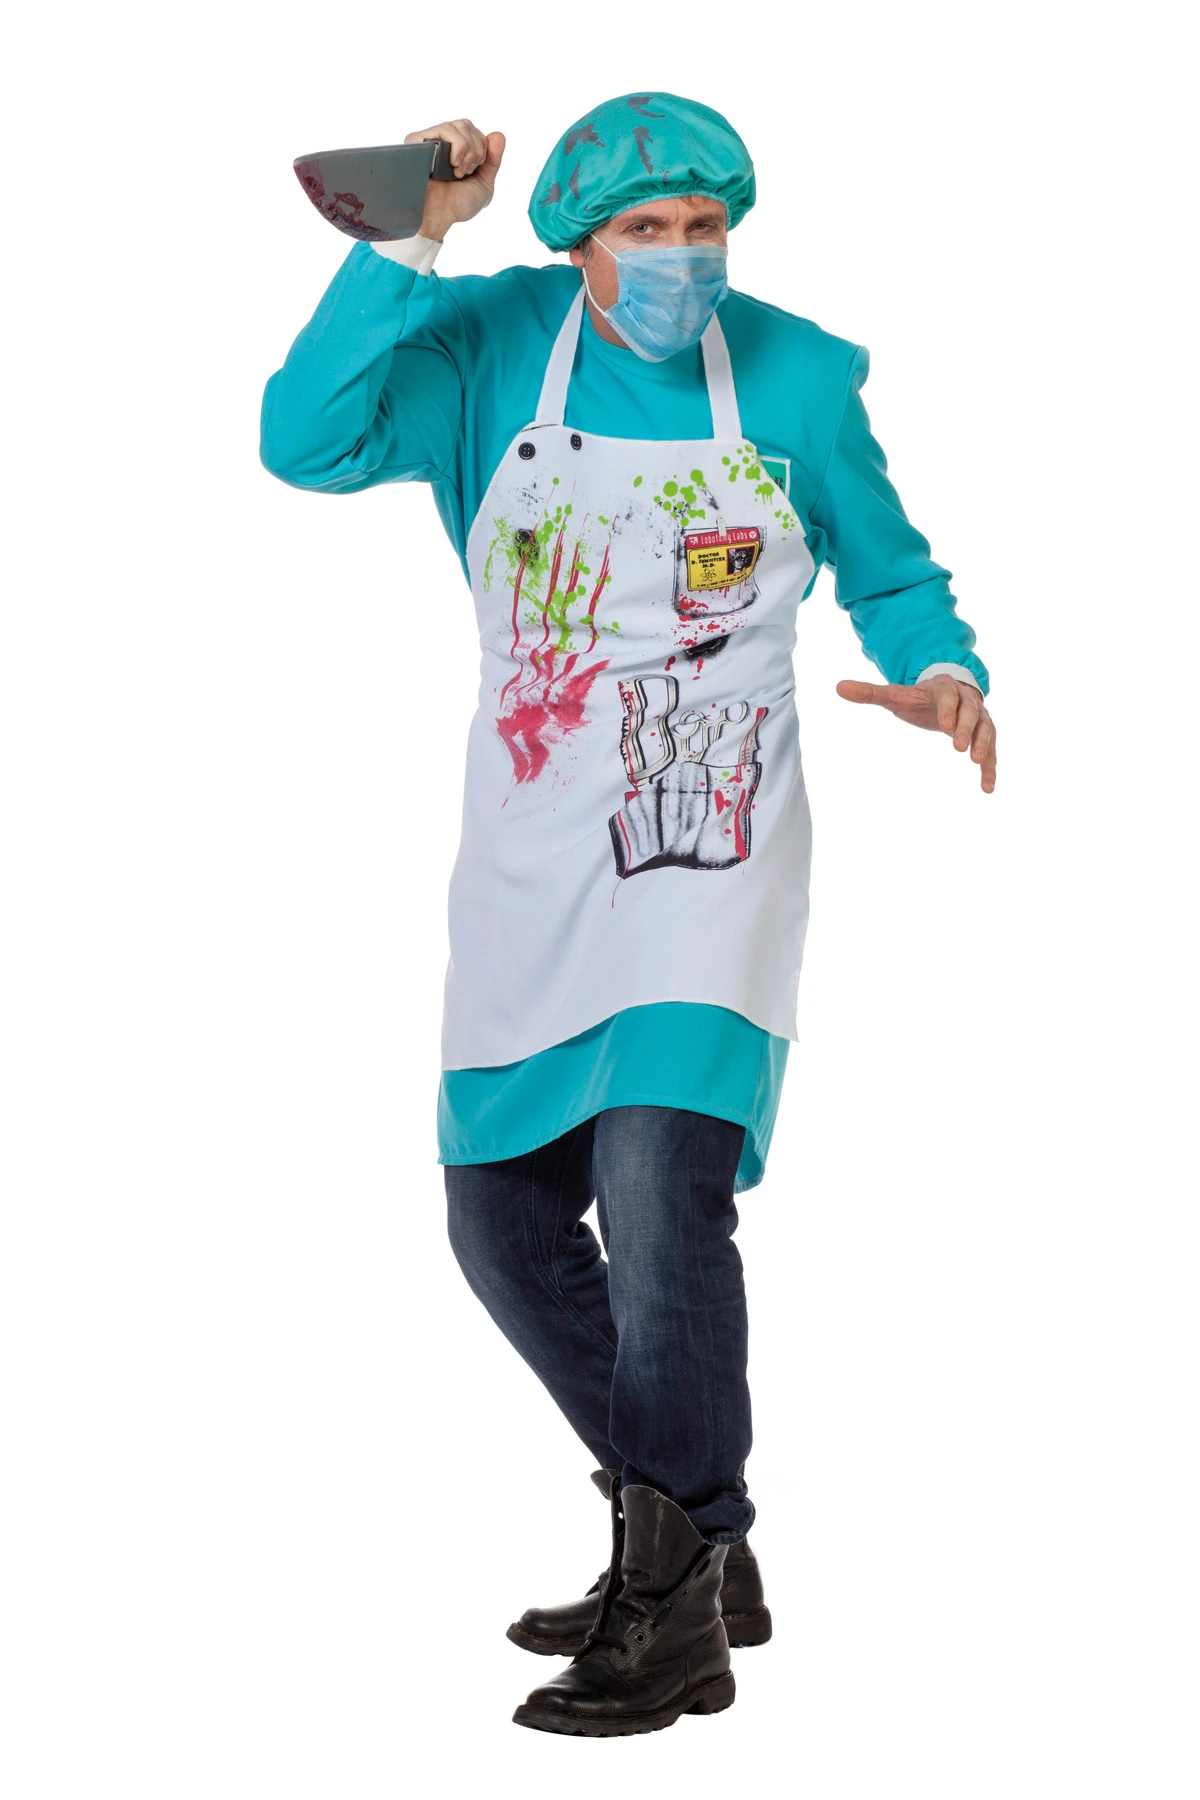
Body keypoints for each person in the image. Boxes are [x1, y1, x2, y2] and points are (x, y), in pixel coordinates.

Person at [260, 92, 995, 1737]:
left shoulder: (795, 374)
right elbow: (302, 440)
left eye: (703, 227)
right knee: (500, 1227)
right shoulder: (485, 344)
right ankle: (699, 1537)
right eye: (643, 232)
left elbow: (890, 568)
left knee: (658, 1194)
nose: (681, 259)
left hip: (710, 854)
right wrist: (409, 235)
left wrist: (943, 666)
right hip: (533, 855)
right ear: (578, 243)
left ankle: (670, 1609)